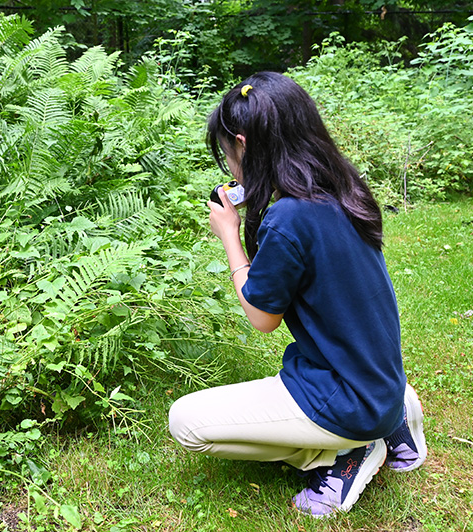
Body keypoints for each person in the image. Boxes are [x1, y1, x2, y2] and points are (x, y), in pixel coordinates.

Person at [167, 72, 428, 518]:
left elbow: (262, 316)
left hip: (348, 397)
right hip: (379, 376)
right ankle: (397, 421)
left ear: (244, 144)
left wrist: (230, 236)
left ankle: (344, 455)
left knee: (185, 422)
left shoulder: (288, 219)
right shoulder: (343, 185)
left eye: (228, 153)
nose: (228, 166)